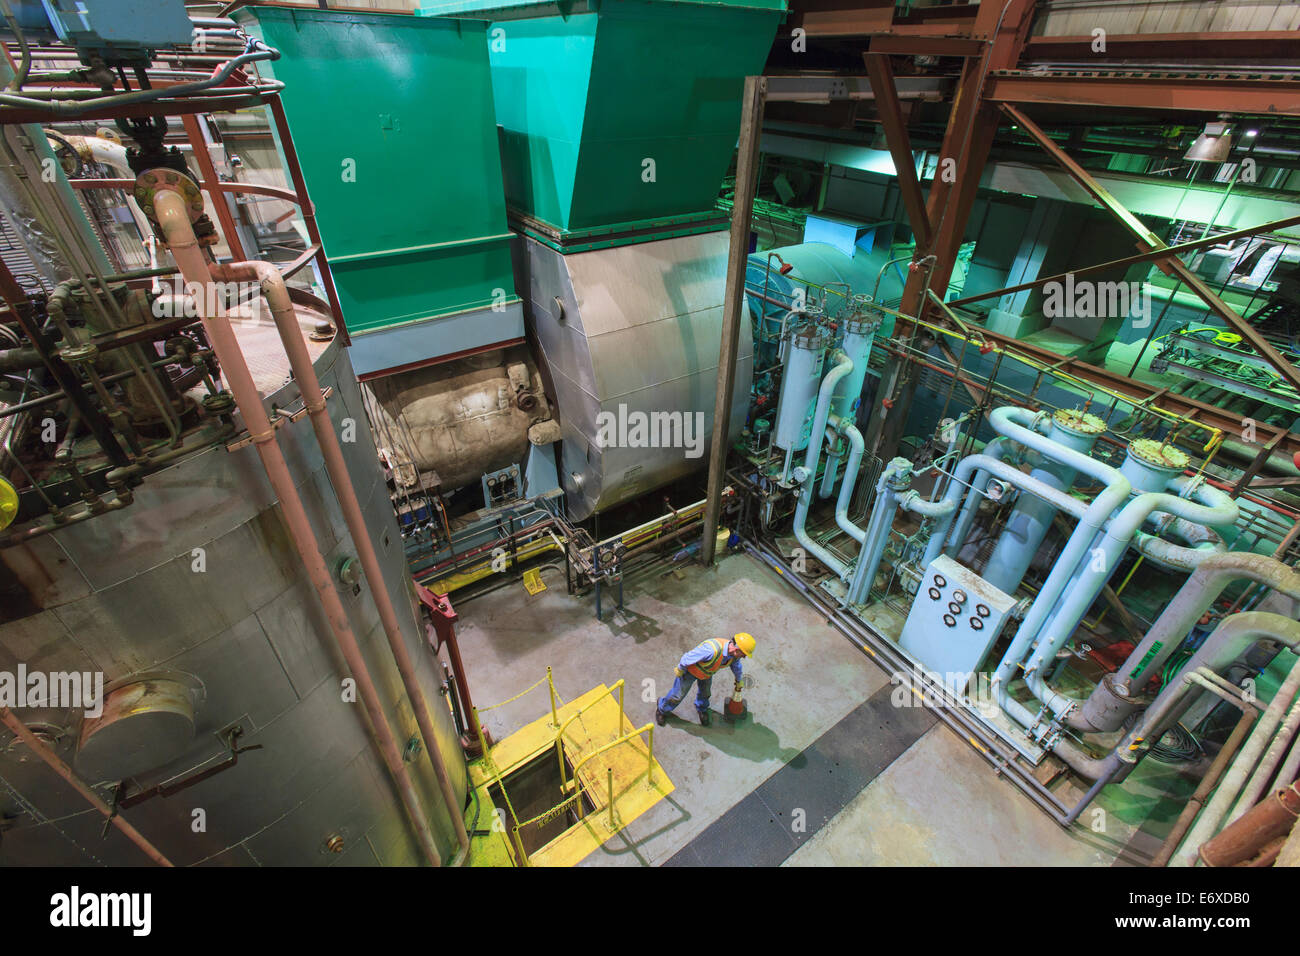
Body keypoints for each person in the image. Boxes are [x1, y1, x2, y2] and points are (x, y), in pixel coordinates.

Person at [655, 633, 756, 727]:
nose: (744, 657)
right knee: (677, 695)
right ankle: (662, 709)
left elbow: (736, 666)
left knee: (705, 693)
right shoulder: (711, 650)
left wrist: (739, 680)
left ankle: (701, 708)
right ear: (737, 649)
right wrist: (680, 669)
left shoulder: (733, 656)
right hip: (690, 672)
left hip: (706, 674)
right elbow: (687, 658)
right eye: (744, 654)